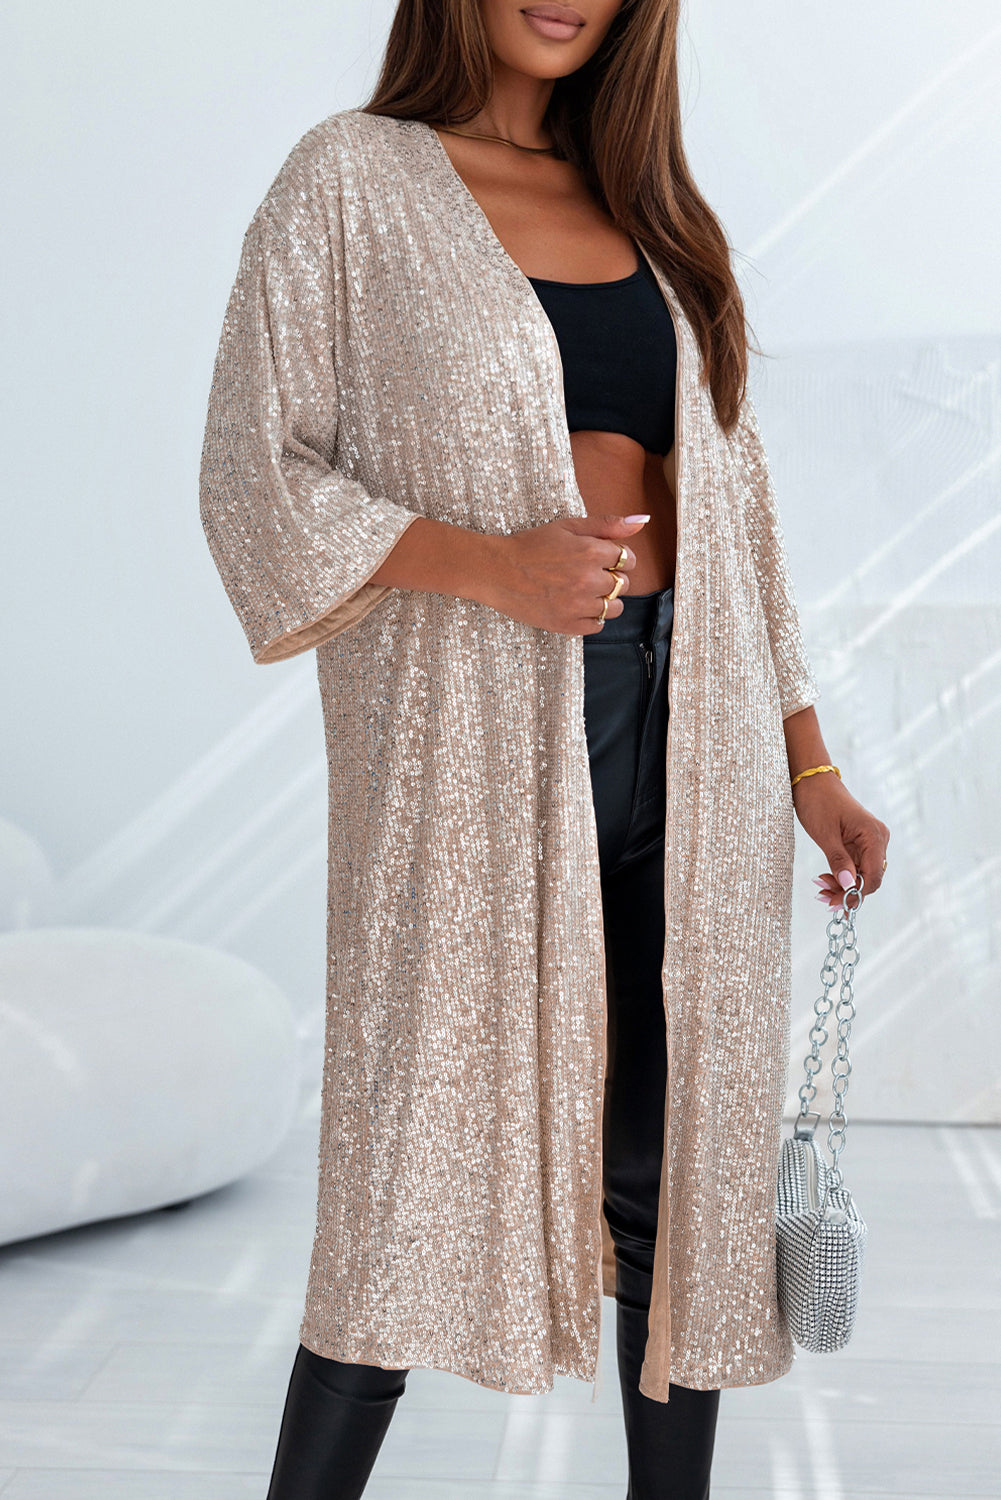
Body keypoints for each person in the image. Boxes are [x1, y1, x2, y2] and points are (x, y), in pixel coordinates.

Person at [198, 2, 891, 1496]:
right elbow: (255, 469)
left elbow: (742, 516)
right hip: (471, 744)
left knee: (671, 1183)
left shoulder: (657, 214)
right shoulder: (352, 180)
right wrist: (488, 565)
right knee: (401, 1185)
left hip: (695, 738)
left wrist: (809, 762)